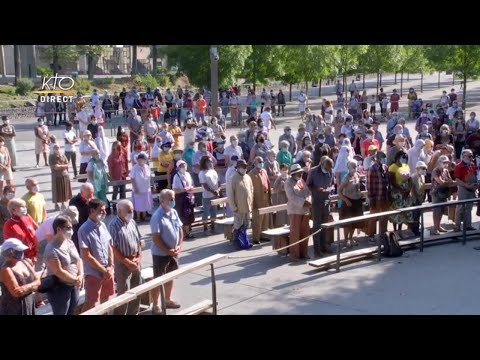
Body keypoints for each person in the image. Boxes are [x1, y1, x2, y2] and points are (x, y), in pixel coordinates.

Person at [150, 189, 183, 314]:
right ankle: (155, 304)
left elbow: (180, 229)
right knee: (158, 279)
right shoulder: (157, 216)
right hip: (161, 254)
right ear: (162, 201)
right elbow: (155, 238)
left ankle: (167, 299)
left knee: (171, 277)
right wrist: (168, 250)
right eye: (170, 199)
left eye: (173, 198)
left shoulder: (173, 212)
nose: (173, 201)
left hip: (173, 252)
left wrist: (179, 246)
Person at [79, 199, 114, 312]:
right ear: (92, 211)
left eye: (105, 210)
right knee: (92, 303)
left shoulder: (103, 225)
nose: (104, 213)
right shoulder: (84, 229)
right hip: (94, 273)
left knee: (106, 298)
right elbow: (87, 255)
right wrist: (104, 270)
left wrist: (110, 266)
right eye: (101, 210)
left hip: (107, 271)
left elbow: (109, 246)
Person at [108, 199, 142, 315]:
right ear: (119, 211)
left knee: (137, 288)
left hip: (135, 260)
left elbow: (139, 242)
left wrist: (138, 258)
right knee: (123, 292)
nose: (131, 213)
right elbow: (113, 248)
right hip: (122, 263)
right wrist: (127, 262)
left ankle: (134, 312)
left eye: (132, 210)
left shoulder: (132, 222)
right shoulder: (113, 226)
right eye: (128, 211)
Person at [44, 216, 83, 315]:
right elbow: (58, 271)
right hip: (59, 288)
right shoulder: (51, 248)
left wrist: (81, 275)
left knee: (73, 311)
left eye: (71, 228)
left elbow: (78, 259)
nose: (71, 230)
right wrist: (75, 280)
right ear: (58, 229)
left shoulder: (70, 242)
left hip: (74, 285)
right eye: (68, 228)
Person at [0, 238, 40, 315]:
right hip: (13, 308)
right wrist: (33, 286)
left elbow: (38, 281)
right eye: (18, 251)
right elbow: (16, 293)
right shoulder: (6, 269)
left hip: (29, 302)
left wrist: (26, 288)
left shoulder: (26, 262)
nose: (21, 253)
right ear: (10, 253)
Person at [307, 157, 334, 256]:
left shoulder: (330, 171)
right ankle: (316, 249)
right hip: (316, 201)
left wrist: (330, 189)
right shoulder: (313, 171)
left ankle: (324, 246)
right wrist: (317, 189)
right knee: (317, 226)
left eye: (330, 168)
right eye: (327, 168)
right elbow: (308, 185)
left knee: (325, 225)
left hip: (326, 200)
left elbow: (332, 183)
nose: (328, 170)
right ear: (322, 164)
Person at [284, 164, 311, 261]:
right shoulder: (288, 183)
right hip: (294, 211)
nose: (301, 174)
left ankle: (304, 253)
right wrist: (303, 202)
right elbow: (291, 197)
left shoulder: (301, 181)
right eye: (299, 173)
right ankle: (295, 255)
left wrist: (309, 200)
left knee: (305, 232)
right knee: (295, 233)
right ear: (294, 173)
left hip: (305, 211)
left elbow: (308, 192)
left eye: (301, 172)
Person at [227, 159, 254, 249]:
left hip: (247, 206)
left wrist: (251, 203)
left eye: (246, 167)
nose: (245, 169)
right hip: (238, 207)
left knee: (246, 225)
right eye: (243, 167)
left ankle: (245, 242)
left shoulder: (247, 177)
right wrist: (233, 207)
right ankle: (236, 242)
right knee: (238, 225)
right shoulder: (233, 178)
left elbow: (251, 190)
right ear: (238, 168)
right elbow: (230, 194)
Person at [248, 156, 273, 244]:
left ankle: (263, 235)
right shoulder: (251, 174)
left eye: (262, 161)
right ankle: (256, 238)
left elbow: (268, 183)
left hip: (266, 196)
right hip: (257, 199)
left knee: (265, 218)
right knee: (257, 219)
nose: (261, 163)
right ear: (255, 163)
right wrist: (252, 202)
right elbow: (250, 189)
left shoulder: (264, 171)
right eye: (259, 161)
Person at [454, 149, 478, 232]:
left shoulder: (472, 165)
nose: (471, 158)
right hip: (463, 188)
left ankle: (468, 225)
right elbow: (457, 180)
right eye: (469, 156)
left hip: (472, 188)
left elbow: (475, 175)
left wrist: (475, 186)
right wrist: (466, 185)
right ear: (463, 156)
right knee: (460, 207)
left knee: (469, 208)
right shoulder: (459, 166)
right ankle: (457, 226)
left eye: (472, 156)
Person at [172, 160, 195, 239]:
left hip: (189, 196)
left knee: (190, 214)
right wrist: (184, 189)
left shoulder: (188, 174)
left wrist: (190, 188)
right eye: (181, 166)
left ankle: (189, 231)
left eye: (184, 166)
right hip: (181, 198)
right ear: (178, 168)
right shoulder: (176, 176)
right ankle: (184, 233)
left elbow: (192, 184)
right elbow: (175, 189)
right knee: (183, 215)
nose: (183, 168)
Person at [69, 183, 94, 251]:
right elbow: (78, 215)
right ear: (82, 193)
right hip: (78, 229)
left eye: (92, 193)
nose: (91, 195)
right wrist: (87, 205)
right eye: (89, 194)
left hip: (90, 228)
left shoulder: (92, 199)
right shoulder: (74, 201)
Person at [199, 155, 220, 233]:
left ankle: (213, 225)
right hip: (207, 196)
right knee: (206, 211)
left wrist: (218, 190)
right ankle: (205, 227)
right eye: (209, 162)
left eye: (211, 161)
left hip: (215, 195)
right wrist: (213, 191)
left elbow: (218, 181)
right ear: (204, 162)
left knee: (214, 211)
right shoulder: (202, 173)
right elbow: (205, 185)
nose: (211, 163)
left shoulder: (213, 171)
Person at [49, 144, 72, 211]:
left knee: (63, 189)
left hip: (64, 175)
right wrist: (62, 166)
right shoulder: (51, 156)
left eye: (58, 148)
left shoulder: (63, 155)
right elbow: (54, 167)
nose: (57, 149)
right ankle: (56, 204)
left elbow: (67, 164)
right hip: (56, 176)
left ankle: (63, 203)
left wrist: (60, 166)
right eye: (55, 148)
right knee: (56, 190)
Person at [130, 152, 152, 222]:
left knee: (145, 203)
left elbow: (149, 177)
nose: (141, 161)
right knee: (138, 204)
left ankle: (144, 216)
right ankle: (138, 217)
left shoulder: (147, 167)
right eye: (139, 160)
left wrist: (152, 184)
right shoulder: (134, 168)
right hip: (138, 188)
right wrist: (135, 187)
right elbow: (132, 178)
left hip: (146, 188)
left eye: (142, 159)